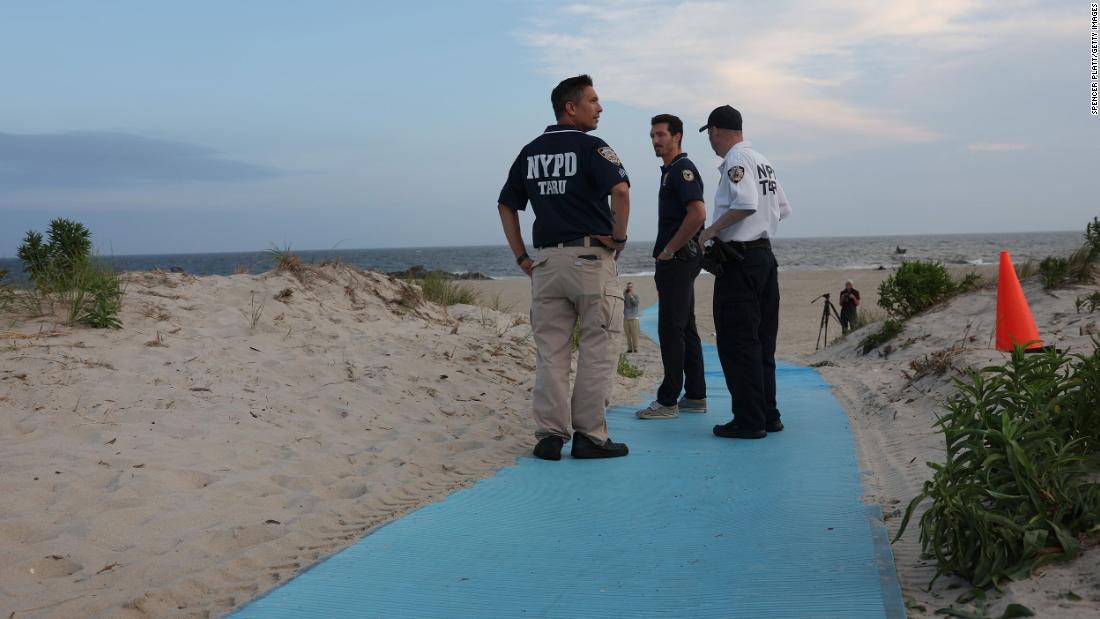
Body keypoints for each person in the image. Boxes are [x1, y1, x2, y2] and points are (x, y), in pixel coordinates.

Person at [496, 74, 632, 461]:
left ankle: (550, 437)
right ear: (570, 107)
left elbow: (506, 204)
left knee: (551, 352)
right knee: (598, 347)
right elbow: (620, 191)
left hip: (546, 263)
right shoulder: (593, 147)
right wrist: (619, 238)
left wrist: (522, 256)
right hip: (590, 259)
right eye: (593, 100)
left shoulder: (530, 151)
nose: (599, 107)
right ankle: (589, 435)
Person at [698, 105, 791, 439]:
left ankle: (749, 420)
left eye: (710, 134)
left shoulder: (735, 161)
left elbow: (745, 202)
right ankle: (768, 413)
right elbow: (782, 208)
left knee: (738, 342)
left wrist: (711, 231)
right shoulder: (763, 161)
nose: (710, 141)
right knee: (763, 341)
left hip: (740, 261)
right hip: (764, 256)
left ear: (716, 131)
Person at [635, 114, 707, 420]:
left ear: (677, 136)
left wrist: (669, 249)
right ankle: (695, 395)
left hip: (677, 261)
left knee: (671, 328)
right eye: (652, 135)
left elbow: (698, 213)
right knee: (685, 327)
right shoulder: (670, 171)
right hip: (679, 260)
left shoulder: (682, 170)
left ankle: (668, 401)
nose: (655, 140)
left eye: (661, 134)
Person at [623, 282, 641, 353]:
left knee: (635, 335)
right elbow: (622, 304)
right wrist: (624, 295)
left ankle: (635, 348)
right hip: (626, 318)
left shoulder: (636, 296)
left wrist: (631, 297)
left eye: (630, 287)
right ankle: (629, 349)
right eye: (628, 287)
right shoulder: (624, 296)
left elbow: (636, 303)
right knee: (628, 335)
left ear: (633, 288)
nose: (629, 288)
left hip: (634, 318)